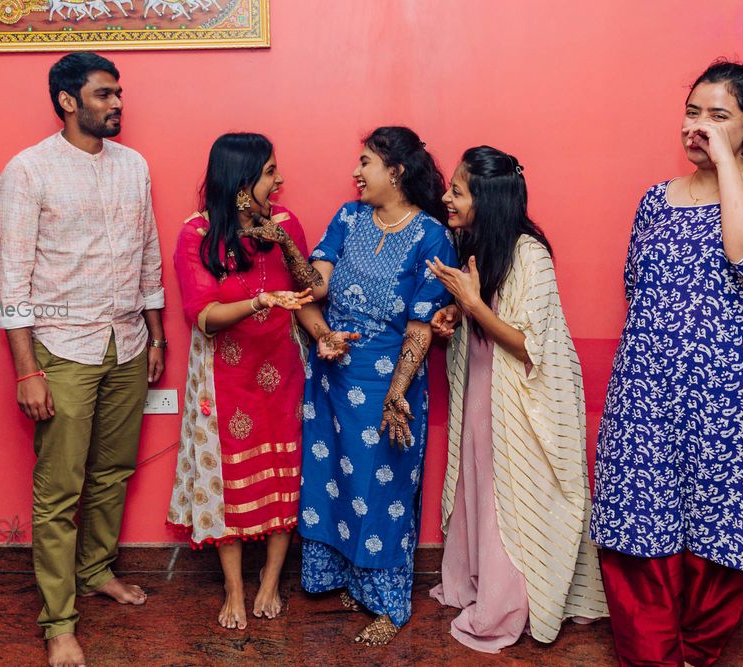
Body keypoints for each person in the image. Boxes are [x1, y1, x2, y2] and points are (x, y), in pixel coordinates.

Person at [590, 60, 743, 667]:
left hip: (731, 395)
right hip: (648, 391)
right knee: (639, 523)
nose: (699, 127)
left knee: (725, 524)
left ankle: (698, 650)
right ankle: (652, 654)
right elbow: (639, 289)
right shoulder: (655, 200)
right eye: (693, 113)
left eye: (718, 116)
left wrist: (728, 170)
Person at [0, 52, 165, 667]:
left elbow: (148, 253)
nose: (117, 104)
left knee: (115, 471)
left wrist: (157, 335)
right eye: (103, 94)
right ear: (68, 101)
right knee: (59, 490)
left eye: (118, 94)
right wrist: (27, 370)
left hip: (128, 344)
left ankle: (96, 569)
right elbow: (12, 281)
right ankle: (59, 622)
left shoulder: (134, 166)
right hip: (62, 350)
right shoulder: (28, 171)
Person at [426, 146, 609, 653]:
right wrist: (455, 318)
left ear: (487, 198)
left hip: (522, 398)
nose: (447, 197)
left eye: (458, 191)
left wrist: (471, 304)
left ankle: (506, 606)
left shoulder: (531, 253)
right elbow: (484, 316)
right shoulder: (477, 244)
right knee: (482, 490)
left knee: (512, 498)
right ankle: (479, 584)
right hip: (485, 387)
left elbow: (532, 344)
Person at [296, 126, 457, 645]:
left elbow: (420, 325)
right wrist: (323, 336)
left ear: (396, 171)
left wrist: (397, 393)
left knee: (382, 487)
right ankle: (350, 580)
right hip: (332, 374)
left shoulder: (432, 235)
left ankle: (387, 602)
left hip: (390, 384)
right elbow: (313, 290)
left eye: (365, 162)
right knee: (334, 481)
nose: (355, 173)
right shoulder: (347, 218)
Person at [166, 133, 316, 631]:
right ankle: (233, 587)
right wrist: (261, 302)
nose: (280, 181)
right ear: (240, 181)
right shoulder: (197, 235)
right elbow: (203, 317)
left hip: (283, 368)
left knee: (284, 474)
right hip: (223, 376)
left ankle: (270, 580)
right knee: (223, 480)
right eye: (270, 172)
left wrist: (285, 246)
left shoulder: (284, 223)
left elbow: (310, 288)